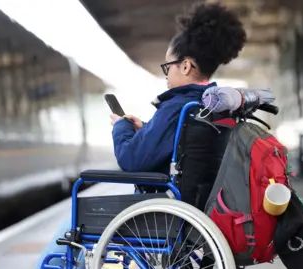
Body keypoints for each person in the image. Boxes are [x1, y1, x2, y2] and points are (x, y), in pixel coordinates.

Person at [34, 3, 247, 269]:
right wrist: (144, 128)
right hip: (192, 207)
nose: (166, 74)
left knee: (68, 229)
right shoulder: (207, 105)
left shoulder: (176, 106)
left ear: (186, 66)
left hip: (163, 213)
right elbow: (180, 144)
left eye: (167, 66)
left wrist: (121, 127)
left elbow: (131, 160)